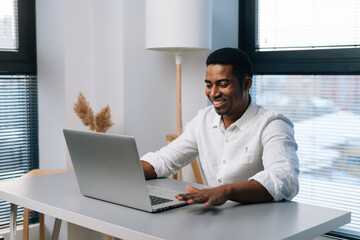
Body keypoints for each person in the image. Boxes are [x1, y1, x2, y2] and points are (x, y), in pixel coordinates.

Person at [141, 47, 299, 207]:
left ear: (246, 84)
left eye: (223, 84)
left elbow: (284, 178)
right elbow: (164, 160)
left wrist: (226, 191)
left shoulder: (272, 124)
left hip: (259, 221)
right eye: (209, 85)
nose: (213, 93)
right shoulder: (203, 120)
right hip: (216, 215)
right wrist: (123, 171)